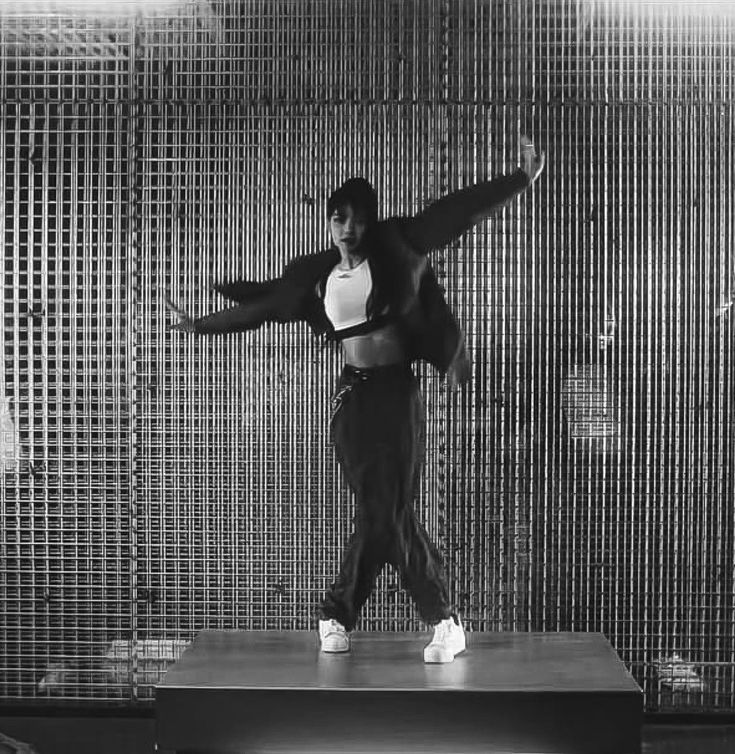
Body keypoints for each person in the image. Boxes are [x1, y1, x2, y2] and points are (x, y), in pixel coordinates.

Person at [166, 137, 545, 663]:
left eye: (358, 220)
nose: (349, 230)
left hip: (397, 393)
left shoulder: (398, 247)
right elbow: (266, 307)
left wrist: (518, 181)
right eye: (340, 219)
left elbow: (454, 213)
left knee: (385, 511)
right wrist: (201, 325)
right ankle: (424, 619)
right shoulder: (321, 277)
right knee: (382, 511)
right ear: (330, 223)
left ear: (371, 222)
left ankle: (362, 616)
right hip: (354, 400)